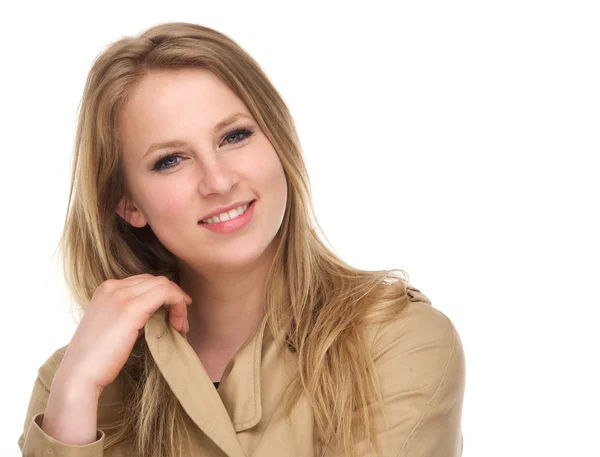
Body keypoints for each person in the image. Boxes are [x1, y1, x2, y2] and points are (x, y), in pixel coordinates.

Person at [18, 21, 465, 457]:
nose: (217, 180)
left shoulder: (399, 340)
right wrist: (74, 400)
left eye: (235, 136)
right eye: (171, 160)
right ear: (127, 203)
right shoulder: (74, 381)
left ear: (278, 141)